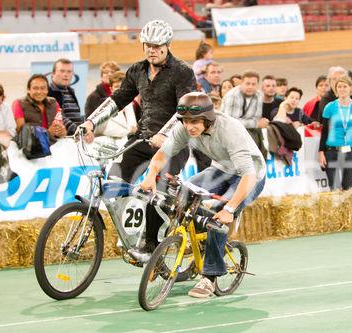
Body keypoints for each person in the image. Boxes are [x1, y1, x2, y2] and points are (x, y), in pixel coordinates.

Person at [79, 20, 196, 256]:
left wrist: (165, 134)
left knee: (159, 189)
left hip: (173, 143)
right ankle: (131, 233)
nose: (151, 49)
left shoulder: (183, 71)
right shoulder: (136, 70)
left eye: (156, 45)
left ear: (166, 45)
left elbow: (183, 109)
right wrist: (90, 121)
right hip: (142, 140)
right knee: (115, 181)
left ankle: (151, 245)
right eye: (147, 45)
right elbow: (117, 100)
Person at [139, 92, 266, 298]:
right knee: (179, 196)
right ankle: (178, 245)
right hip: (219, 169)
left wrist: (229, 209)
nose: (190, 127)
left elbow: (248, 176)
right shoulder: (184, 129)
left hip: (249, 177)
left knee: (217, 217)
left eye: (196, 121)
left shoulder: (229, 131)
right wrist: (151, 175)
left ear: (208, 119)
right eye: (186, 121)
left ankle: (210, 276)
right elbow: (163, 153)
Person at [318, 75, 352, 191]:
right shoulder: (329, 107)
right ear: (336, 90)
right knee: (334, 189)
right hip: (331, 151)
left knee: (349, 189)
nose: (342, 89)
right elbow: (324, 131)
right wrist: (321, 152)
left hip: (349, 151)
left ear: (351, 88)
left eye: (345, 86)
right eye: (339, 87)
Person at [12, 74, 67, 140]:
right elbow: (21, 133)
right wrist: (47, 133)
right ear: (28, 90)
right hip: (31, 147)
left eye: (43, 88)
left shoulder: (54, 102)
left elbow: (61, 128)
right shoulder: (18, 103)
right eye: (35, 88)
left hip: (55, 144)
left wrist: (62, 132)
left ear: (47, 90)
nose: (39, 92)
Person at [48, 58, 83, 135]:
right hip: (60, 139)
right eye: (62, 71)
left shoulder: (70, 91)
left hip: (75, 137)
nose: (66, 74)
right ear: (53, 74)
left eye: (69, 71)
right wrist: (80, 131)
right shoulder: (48, 92)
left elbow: (77, 117)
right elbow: (58, 117)